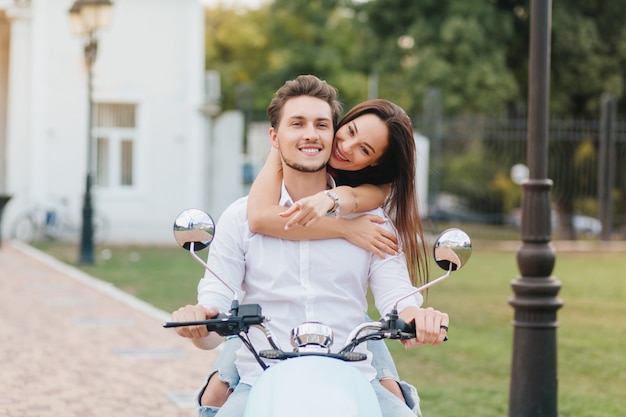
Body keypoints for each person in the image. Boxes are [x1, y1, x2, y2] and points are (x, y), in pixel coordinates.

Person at [171, 75, 449, 417]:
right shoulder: (240, 217)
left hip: (353, 377)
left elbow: (398, 297)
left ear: (331, 133)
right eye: (297, 124)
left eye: (321, 124)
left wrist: (419, 317)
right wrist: (198, 322)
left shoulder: (372, 220)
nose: (310, 134)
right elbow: (215, 311)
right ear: (275, 136)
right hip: (260, 378)